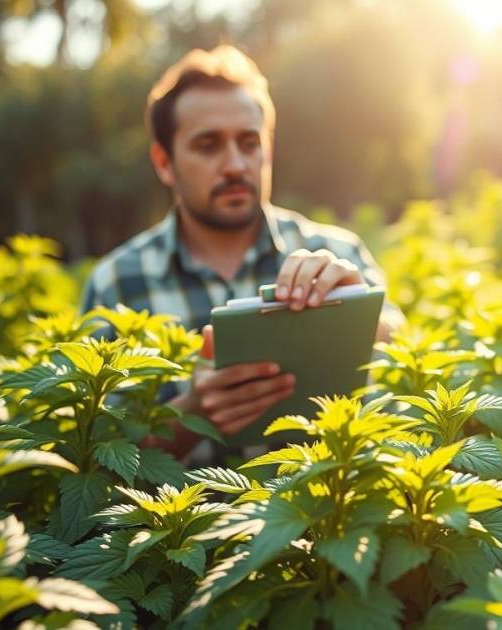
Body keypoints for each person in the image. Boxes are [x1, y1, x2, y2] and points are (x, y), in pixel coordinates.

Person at [80, 45, 403, 462]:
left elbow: (406, 356)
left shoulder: (336, 252)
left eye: (248, 143)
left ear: (267, 151)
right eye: (208, 145)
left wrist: (359, 313)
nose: (234, 165)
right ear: (164, 162)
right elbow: (97, 458)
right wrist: (193, 413)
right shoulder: (116, 285)